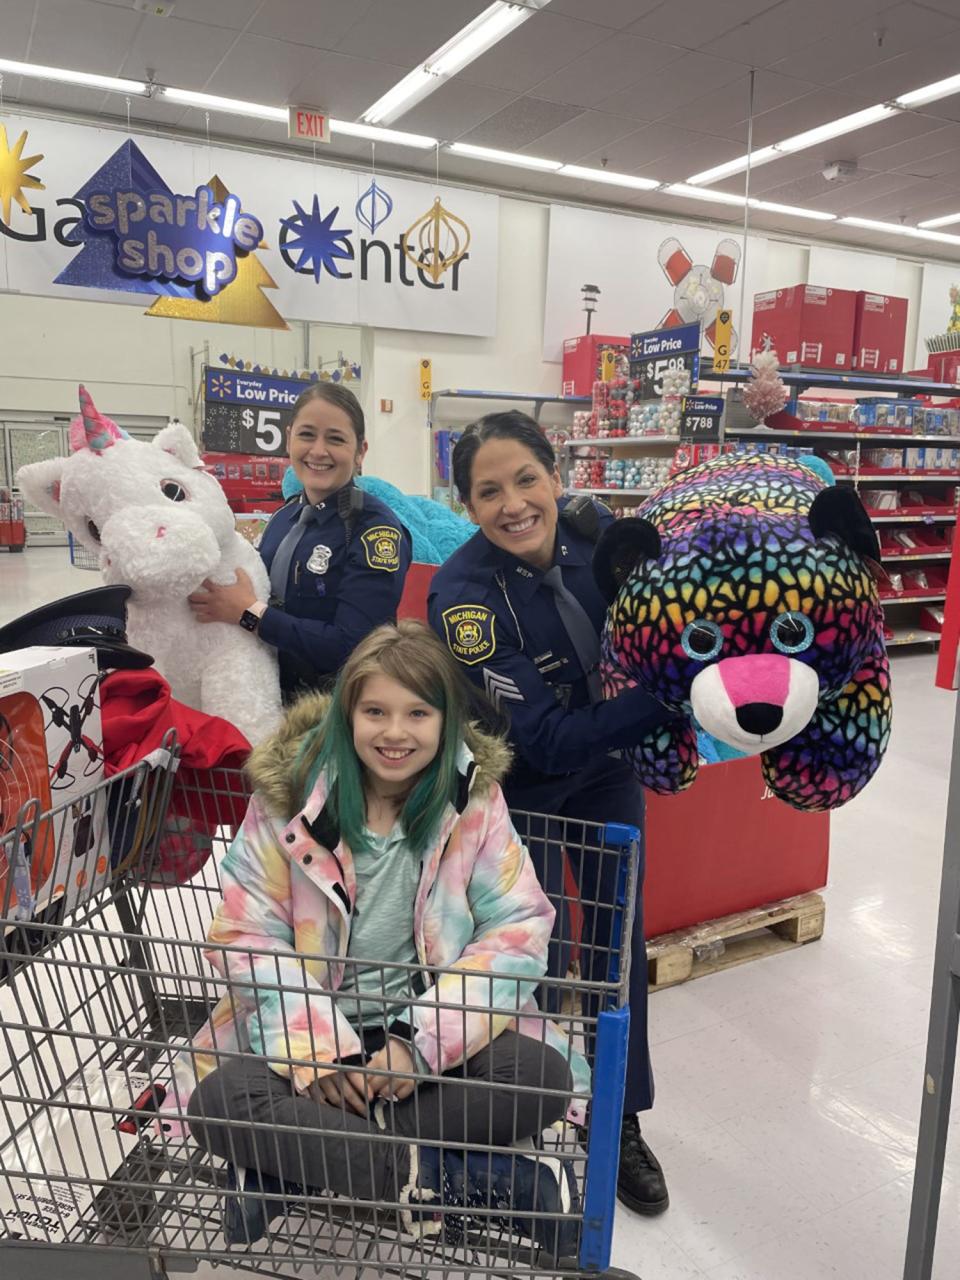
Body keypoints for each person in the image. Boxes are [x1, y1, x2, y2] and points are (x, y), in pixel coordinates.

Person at [184, 620, 587, 1253]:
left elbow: (519, 927)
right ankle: (455, 1175)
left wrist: (417, 1043)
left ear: (446, 721)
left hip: (429, 1037)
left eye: (417, 713)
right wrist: (318, 1054)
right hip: (314, 1029)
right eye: (375, 711)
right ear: (347, 715)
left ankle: (293, 1170)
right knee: (216, 1100)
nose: (395, 733)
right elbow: (245, 933)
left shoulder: (474, 805)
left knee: (538, 1075)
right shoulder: (287, 801)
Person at [427, 411, 675, 1217]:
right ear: (466, 504)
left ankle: (620, 1117)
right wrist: (666, 700)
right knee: (524, 954)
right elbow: (544, 735)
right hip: (521, 789)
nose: (514, 504)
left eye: (526, 480)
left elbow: (666, 621)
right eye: (488, 491)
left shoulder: (597, 536)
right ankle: (513, 1112)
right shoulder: (461, 596)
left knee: (616, 945)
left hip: (607, 777)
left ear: (556, 475)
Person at [189, 384, 412, 701]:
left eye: (335, 439)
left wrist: (249, 613)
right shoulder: (285, 516)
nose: (318, 451)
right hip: (264, 696)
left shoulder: (373, 531)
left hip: (334, 715)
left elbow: (355, 649)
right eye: (307, 435)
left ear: (360, 451)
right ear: (289, 437)